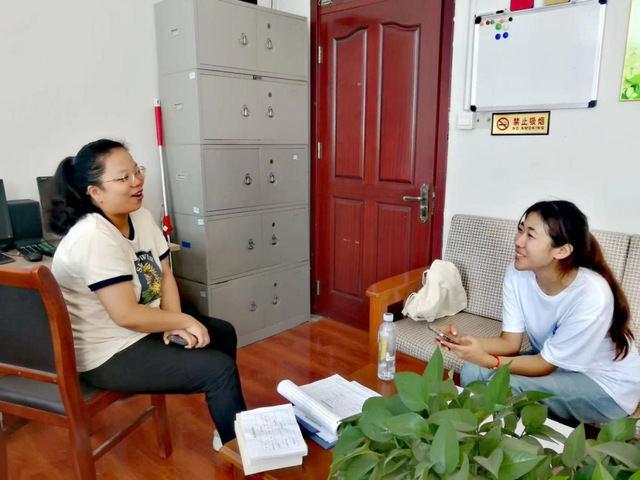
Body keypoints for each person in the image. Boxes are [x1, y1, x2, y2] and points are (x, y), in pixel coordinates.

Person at [49, 139, 246, 448]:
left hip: (138, 330)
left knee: (223, 333)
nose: (137, 181)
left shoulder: (140, 216)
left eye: (137, 171)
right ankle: (241, 449)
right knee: (219, 371)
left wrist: (173, 323)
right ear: (95, 192)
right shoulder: (93, 237)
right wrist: (181, 320)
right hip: (107, 353)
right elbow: (125, 314)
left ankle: (228, 429)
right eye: (123, 177)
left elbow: (165, 274)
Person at [437, 200, 640, 425]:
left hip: (605, 385)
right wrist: (463, 342)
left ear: (562, 250)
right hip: (556, 364)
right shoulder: (517, 273)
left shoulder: (591, 294)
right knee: (473, 371)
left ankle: (484, 435)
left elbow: (544, 365)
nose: (518, 241)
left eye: (530, 235)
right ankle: (473, 431)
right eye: (520, 230)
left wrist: (488, 359)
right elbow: (510, 343)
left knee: (507, 386)